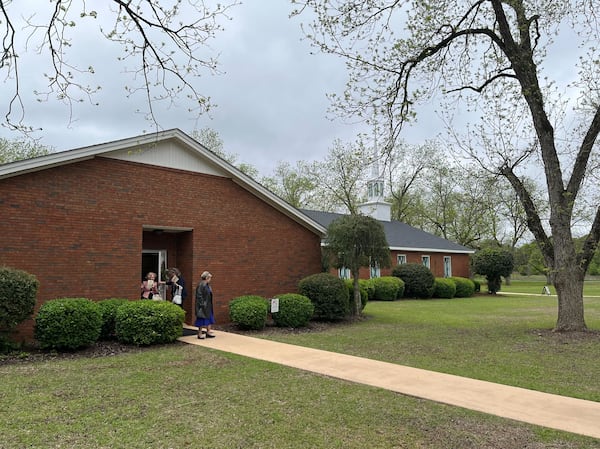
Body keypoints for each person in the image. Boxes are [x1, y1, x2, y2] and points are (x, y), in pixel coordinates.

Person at [195, 271, 216, 339]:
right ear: (207, 277)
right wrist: (202, 304)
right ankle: (199, 334)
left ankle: (208, 332)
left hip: (208, 305)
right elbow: (199, 295)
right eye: (209, 278)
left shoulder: (207, 285)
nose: (210, 279)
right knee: (201, 319)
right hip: (203, 306)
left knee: (209, 318)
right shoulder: (201, 285)